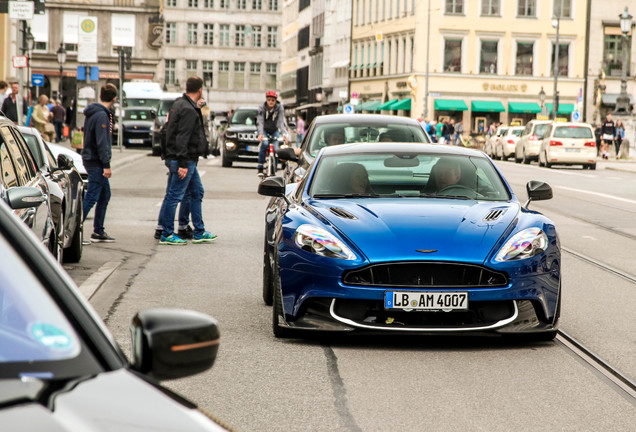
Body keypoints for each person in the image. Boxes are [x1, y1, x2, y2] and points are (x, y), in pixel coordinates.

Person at [158, 76, 216, 245]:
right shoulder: (188, 110)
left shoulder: (180, 104)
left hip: (181, 158)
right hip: (185, 160)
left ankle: (199, 231)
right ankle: (167, 234)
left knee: (197, 192)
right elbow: (183, 138)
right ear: (200, 90)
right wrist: (182, 163)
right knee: (174, 196)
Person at [82, 83, 118, 243]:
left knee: (104, 195)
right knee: (91, 196)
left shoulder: (94, 112)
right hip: (96, 161)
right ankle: (73, 229)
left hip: (91, 158)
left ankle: (98, 230)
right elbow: (101, 142)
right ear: (115, 98)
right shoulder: (102, 116)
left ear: (100, 96)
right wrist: (106, 164)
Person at [256, 90, 289, 177]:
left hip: (275, 130)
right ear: (266, 100)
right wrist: (260, 134)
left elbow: (281, 122)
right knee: (265, 143)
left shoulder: (280, 108)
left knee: (276, 148)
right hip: (265, 130)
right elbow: (260, 122)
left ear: (276, 101)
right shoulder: (261, 108)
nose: (271, 102)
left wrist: (284, 134)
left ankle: (274, 167)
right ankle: (260, 166)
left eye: (273, 100)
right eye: (269, 100)